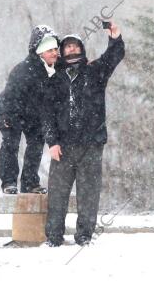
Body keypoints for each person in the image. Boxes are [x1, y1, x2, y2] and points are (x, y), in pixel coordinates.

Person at [42, 21, 125, 246]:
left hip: (91, 145)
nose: (71, 49)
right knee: (57, 196)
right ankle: (54, 238)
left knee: (88, 195)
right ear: (61, 52)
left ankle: (84, 237)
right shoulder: (55, 81)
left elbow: (113, 57)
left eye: (74, 46)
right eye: (66, 47)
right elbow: (47, 115)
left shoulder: (95, 72)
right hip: (63, 148)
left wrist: (115, 37)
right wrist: (52, 142)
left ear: (81, 49)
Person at [0, 25, 59, 194]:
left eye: (55, 49)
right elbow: (10, 97)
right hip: (11, 110)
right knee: (11, 143)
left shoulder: (54, 69)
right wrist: (5, 117)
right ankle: (9, 182)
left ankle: (30, 182)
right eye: (49, 49)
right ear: (39, 52)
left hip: (34, 113)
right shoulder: (24, 70)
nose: (54, 53)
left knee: (36, 144)